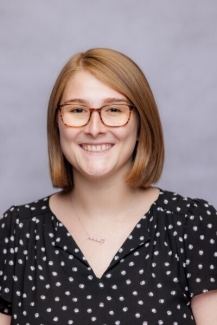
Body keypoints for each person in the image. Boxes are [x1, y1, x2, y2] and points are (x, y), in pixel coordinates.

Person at [0, 48, 216, 325]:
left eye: (114, 110)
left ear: (141, 124)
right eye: (77, 110)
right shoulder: (17, 231)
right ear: (57, 124)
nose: (94, 128)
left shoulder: (193, 225)